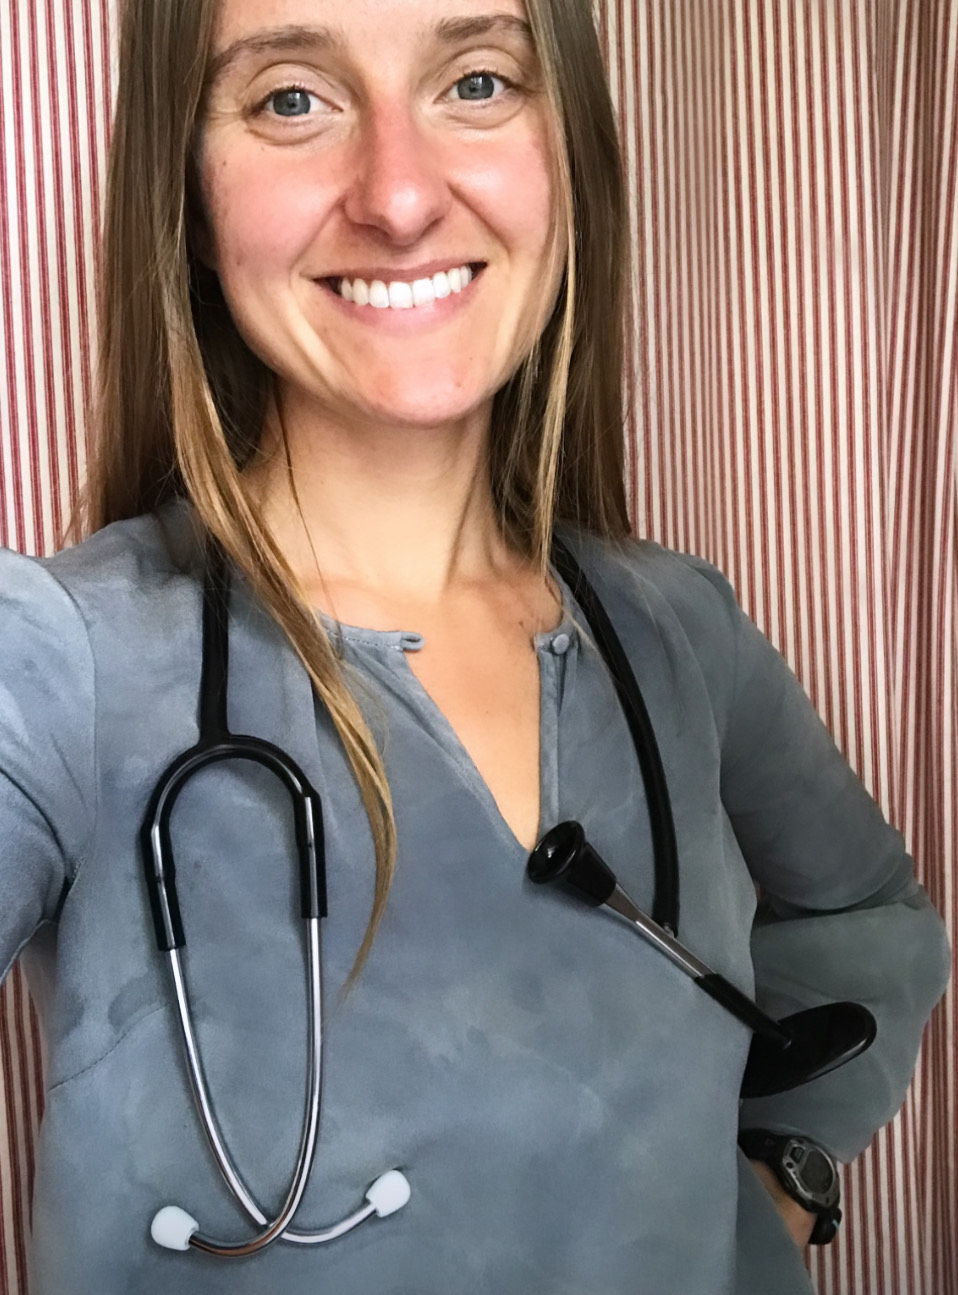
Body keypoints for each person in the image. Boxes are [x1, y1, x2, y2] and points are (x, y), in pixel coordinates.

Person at [0, 0, 949, 1290]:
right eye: (292, 100)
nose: (397, 196)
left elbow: (869, 918)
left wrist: (783, 1162)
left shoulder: (678, 629)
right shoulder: (61, 660)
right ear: (188, 188)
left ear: (575, 151)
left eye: (480, 82)